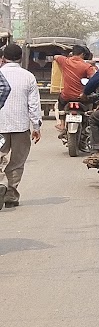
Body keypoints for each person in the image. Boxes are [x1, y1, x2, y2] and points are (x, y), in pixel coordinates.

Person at [0, 42, 42, 209]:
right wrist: (36, 127)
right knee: (17, 162)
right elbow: (33, 105)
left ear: (3, 58)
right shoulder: (28, 76)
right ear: (21, 58)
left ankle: (0, 183)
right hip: (20, 128)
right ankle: (11, 194)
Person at [54, 45, 97, 137]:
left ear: (72, 53)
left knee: (60, 101)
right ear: (82, 54)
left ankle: (62, 124)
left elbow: (56, 57)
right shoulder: (87, 66)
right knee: (94, 105)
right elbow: (93, 80)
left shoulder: (65, 61)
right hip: (82, 97)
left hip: (67, 97)